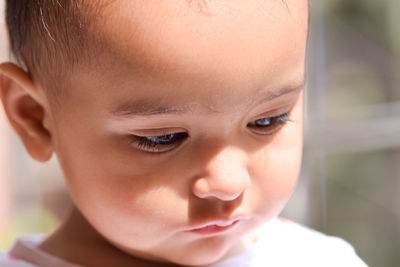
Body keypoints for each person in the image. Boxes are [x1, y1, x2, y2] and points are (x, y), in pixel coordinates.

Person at [0, 0, 367, 266]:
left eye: (267, 121)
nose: (228, 183)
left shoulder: (318, 259)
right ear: (35, 118)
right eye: (164, 138)